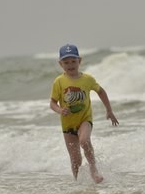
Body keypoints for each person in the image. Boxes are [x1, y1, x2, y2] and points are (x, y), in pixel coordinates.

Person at [50, 44, 119, 183]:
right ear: (60, 64)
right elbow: (52, 103)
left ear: (79, 61)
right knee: (76, 160)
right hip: (68, 125)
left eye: (73, 61)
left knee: (84, 140)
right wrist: (60, 110)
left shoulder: (87, 79)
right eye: (66, 62)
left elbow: (101, 91)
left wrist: (109, 110)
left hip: (84, 119)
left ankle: (94, 170)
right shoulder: (59, 82)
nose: (70, 65)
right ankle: (77, 184)